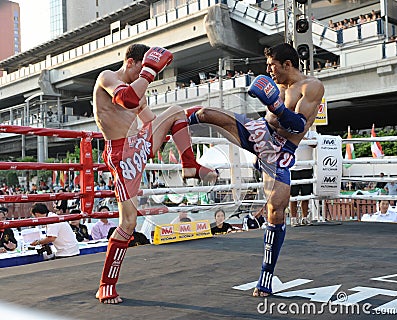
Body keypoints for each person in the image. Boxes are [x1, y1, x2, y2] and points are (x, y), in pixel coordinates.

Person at [185, 43, 324, 297]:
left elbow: (297, 126)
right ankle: (162, 127)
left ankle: (265, 277)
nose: (269, 71)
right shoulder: (279, 86)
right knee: (205, 114)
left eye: (272, 66)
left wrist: (275, 106)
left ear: (288, 64)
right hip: (259, 132)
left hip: (279, 151)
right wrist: (273, 105)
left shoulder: (311, 87)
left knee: (276, 212)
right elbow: (270, 117)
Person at [93, 44, 217, 304]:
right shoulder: (108, 78)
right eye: (141, 68)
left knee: (176, 112)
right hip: (121, 154)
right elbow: (125, 99)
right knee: (128, 223)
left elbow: (150, 120)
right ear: (131, 63)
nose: (145, 76)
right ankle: (106, 284)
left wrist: (185, 122)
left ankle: (190, 165)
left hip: (138, 144)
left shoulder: (139, 89)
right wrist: (148, 71)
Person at [289, 130, 318, 226]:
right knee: (294, 196)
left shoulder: (312, 133)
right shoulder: (291, 132)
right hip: (294, 168)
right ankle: (293, 219)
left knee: (306, 195)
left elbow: (314, 143)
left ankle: (305, 218)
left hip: (307, 167)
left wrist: (301, 137)